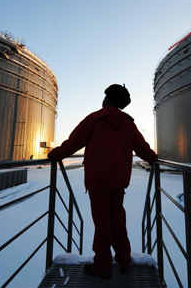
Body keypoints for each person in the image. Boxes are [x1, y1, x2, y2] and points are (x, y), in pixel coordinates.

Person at [47, 84, 158, 279]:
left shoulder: (95, 119)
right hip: (118, 182)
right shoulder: (127, 123)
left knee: (102, 224)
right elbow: (142, 147)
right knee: (117, 221)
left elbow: (74, 142)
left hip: (98, 182)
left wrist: (55, 154)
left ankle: (103, 265)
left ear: (106, 99)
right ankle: (124, 261)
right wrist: (153, 158)